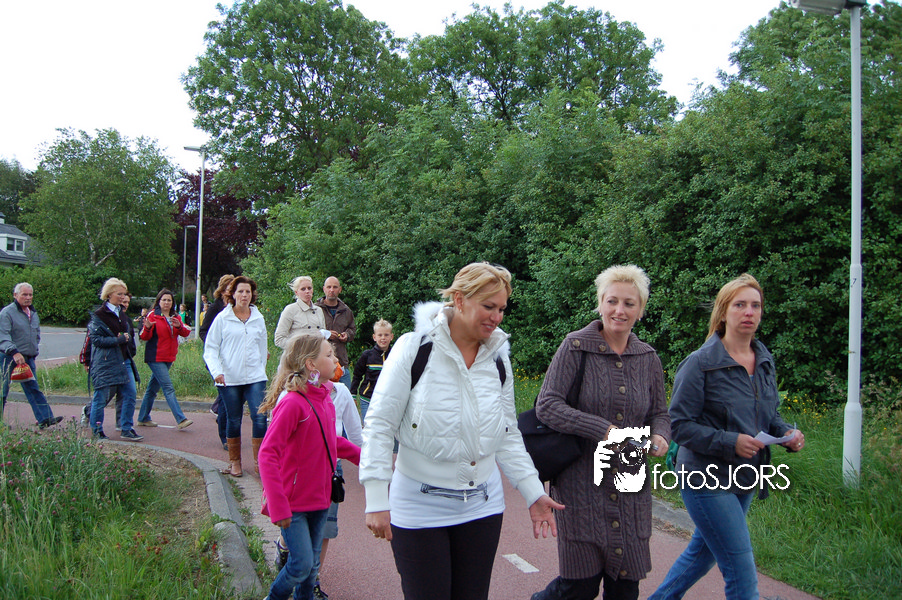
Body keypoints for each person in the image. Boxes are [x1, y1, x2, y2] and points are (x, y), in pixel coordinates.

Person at [360, 262, 563, 600]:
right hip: (419, 506)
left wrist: (533, 491)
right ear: (459, 299)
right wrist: (376, 497)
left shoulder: (498, 358)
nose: (496, 317)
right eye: (488, 306)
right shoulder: (414, 348)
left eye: (501, 309)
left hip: (483, 507)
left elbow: (507, 432)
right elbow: (379, 424)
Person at [649, 274, 805, 600]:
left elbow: (768, 415)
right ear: (723, 312)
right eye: (740, 305)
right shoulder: (700, 363)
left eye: (755, 306)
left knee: (703, 553)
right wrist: (730, 441)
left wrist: (786, 433)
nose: (749, 312)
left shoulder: (764, 359)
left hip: (744, 474)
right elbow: (679, 425)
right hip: (704, 475)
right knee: (741, 567)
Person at [531, 265, 670, 600]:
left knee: (625, 587)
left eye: (629, 303)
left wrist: (660, 436)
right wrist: (601, 429)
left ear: (640, 310)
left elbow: (659, 413)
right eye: (612, 301)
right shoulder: (576, 346)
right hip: (581, 486)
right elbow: (547, 404)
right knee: (579, 587)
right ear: (600, 303)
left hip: (630, 485)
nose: (619, 310)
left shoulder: (648, 357)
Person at [258, 331, 361, 600]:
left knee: (311, 569)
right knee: (301, 565)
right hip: (293, 504)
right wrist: (278, 504)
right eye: (329, 354)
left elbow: (331, 441)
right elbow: (267, 454)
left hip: (320, 499)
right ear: (311, 364)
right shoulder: (293, 403)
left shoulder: (325, 398)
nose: (335, 359)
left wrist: (364, 459)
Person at [203, 275, 268, 477]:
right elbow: (210, 349)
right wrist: (217, 371)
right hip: (229, 378)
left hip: (255, 377)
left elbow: (262, 347)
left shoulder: (258, 318)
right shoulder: (223, 318)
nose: (244, 295)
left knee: (260, 417)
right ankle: (235, 463)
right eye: (240, 291)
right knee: (234, 419)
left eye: (248, 291)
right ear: (233, 294)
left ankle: (260, 463)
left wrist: (260, 369)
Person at [0, 282, 63, 428]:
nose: (28, 298)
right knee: (2, 390)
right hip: (8, 357)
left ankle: (45, 418)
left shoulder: (33, 313)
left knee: (33, 388)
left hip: (27, 358)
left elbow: (35, 334)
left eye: (30, 295)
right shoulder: (7, 313)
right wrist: (14, 352)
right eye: (24, 294)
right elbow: (3, 335)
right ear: (15, 295)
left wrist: (33, 352)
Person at [87, 278, 142, 442]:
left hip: (124, 360)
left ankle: (126, 427)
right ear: (109, 294)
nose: (123, 297)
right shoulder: (99, 315)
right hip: (106, 362)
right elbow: (96, 340)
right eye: (119, 294)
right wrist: (118, 340)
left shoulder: (122, 314)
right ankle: (97, 430)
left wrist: (128, 343)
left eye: (124, 294)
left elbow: (128, 335)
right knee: (101, 397)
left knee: (130, 393)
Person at [136, 288, 194, 429]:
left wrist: (179, 327)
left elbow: (186, 332)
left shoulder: (175, 317)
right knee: (168, 387)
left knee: (152, 389)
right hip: (155, 356)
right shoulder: (153, 315)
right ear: (159, 301)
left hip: (169, 356)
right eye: (164, 300)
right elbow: (143, 336)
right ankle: (180, 419)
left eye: (169, 300)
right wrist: (147, 328)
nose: (166, 303)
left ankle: (143, 417)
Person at [200, 274, 235, 451]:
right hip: (218, 360)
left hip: (235, 360)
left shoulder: (239, 308)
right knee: (225, 399)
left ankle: (226, 426)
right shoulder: (215, 308)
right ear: (222, 290)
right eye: (229, 288)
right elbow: (203, 331)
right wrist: (216, 346)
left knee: (233, 398)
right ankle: (225, 437)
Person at [350, 318, 394, 425]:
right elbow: (357, 375)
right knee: (369, 428)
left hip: (388, 400)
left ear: (391, 337)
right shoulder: (367, 355)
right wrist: (353, 394)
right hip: (368, 398)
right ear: (374, 337)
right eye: (380, 335)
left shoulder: (395, 355)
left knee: (387, 428)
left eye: (386, 335)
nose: (383, 338)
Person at [315, 276, 355, 388]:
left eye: (335, 287)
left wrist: (347, 335)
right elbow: (309, 332)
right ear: (324, 289)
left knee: (345, 395)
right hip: (320, 363)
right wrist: (325, 333)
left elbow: (352, 329)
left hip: (341, 362)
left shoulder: (346, 310)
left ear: (340, 289)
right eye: (329, 287)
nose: (331, 290)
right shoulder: (315, 310)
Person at [275, 276, 327, 350]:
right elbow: (279, 339)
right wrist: (298, 347)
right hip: (298, 354)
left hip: (316, 353)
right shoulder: (290, 310)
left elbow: (323, 336)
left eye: (309, 288)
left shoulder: (318, 310)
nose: (307, 291)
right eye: (303, 289)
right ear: (296, 292)